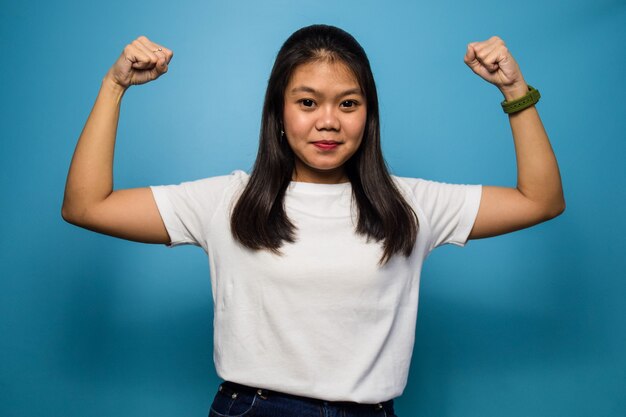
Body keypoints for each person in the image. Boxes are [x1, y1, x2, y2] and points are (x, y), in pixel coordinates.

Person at [62, 24, 564, 417]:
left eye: (348, 103)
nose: (328, 120)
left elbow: (540, 200)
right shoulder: (226, 200)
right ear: (279, 114)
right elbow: (87, 205)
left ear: (368, 115)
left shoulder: (411, 204)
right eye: (307, 102)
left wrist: (514, 90)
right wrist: (114, 86)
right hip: (254, 409)